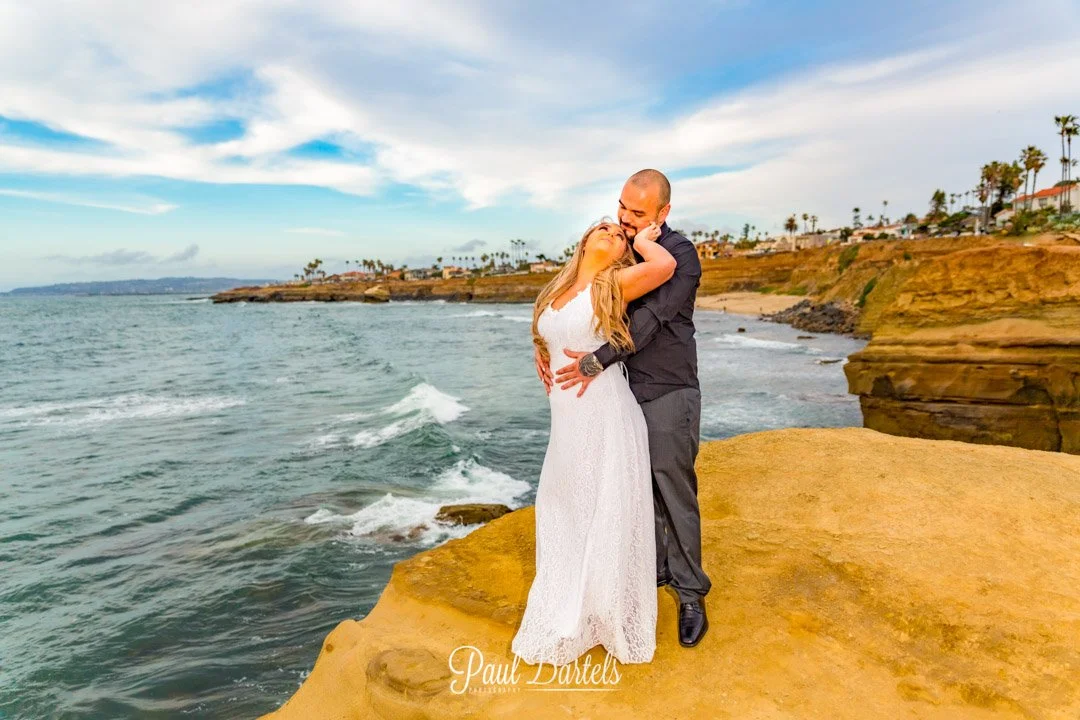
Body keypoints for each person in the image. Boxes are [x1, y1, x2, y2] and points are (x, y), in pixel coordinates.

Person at [539, 169, 711, 648]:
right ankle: (651, 570)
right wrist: (545, 343)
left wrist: (596, 360)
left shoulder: (678, 253)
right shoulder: (619, 250)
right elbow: (577, 301)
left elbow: (652, 319)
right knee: (633, 488)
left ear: (663, 212)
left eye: (638, 212)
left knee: (672, 490)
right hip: (619, 392)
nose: (626, 218)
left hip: (666, 388)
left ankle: (691, 593)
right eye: (622, 207)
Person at [511, 218, 675, 666]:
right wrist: (540, 349)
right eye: (604, 228)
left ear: (622, 253)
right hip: (566, 419)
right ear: (584, 241)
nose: (612, 233)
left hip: (604, 411)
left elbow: (664, 266)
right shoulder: (556, 289)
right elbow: (550, 331)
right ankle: (570, 600)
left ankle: (606, 610)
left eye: (619, 235)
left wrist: (643, 240)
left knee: (604, 506)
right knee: (566, 504)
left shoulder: (614, 284)